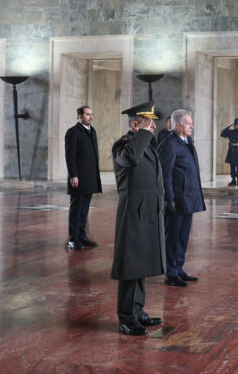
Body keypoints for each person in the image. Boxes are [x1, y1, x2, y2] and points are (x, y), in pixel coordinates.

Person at [110, 102, 164, 336]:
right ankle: (126, 317)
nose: (153, 126)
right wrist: (141, 133)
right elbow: (130, 158)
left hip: (149, 210)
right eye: (147, 123)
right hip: (133, 211)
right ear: (134, 125)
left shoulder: (146, 144)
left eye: (153, 123)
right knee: (131, 266)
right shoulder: (123, 146)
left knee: (141, 263)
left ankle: (138, 310)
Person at [158, 109, 206, 287]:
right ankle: (170, 273)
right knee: (173, 236)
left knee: (183, 236)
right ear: (177, 125)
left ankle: (178, 268)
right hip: (176, 199)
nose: (191, 126)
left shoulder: (187, 141)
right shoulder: (169, 144)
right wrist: (168, 199)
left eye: (191, 122)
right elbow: (164, 174)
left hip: (188, 198)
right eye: (188, 123)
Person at [64, 106, 102, 250]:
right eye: (88, 115)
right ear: (80, 116)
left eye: (92, 114)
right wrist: (73, 175)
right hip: (78, 177)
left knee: (84, 209)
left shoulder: (92, 131)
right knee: (76, 208)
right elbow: (70, 155)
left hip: (90, 177)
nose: (91, 117)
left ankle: (82, 236)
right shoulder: (73, 132)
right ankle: (73, 239)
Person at [220, 118, 238, 186]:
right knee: (232, 167)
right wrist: (229, 126)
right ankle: (233, 180)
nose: (236, 126)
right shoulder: (230, 132)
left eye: (237, 124)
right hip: (232, 151)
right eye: (235, 124)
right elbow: (222, 133)